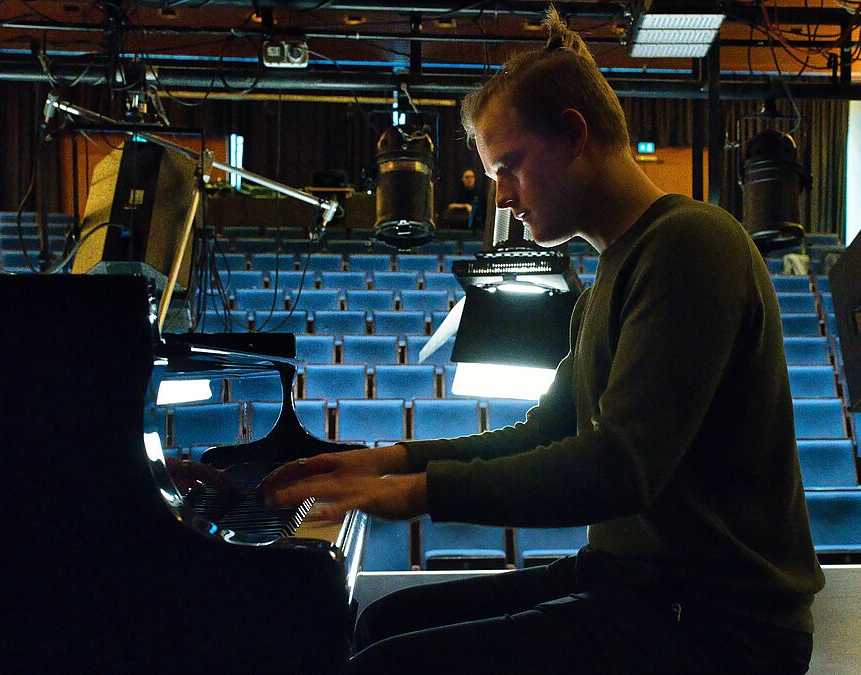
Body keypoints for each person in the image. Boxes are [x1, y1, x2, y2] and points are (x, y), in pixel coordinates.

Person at [258, 8, 824, 674]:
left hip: (719, 623)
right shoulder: (606, 283)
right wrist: (390, 461)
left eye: (511, 166)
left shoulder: (691, 245)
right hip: (635, 584)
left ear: (575, 135)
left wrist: (417, 494)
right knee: (383, 621)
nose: (502, 196)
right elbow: (545, 433)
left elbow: (620, 469)